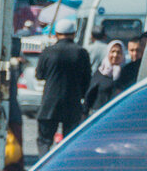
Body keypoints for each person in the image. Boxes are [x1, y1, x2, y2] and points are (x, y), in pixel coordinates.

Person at [34, 17, 90, 155]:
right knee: (70, 141)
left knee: (45, 140)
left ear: (56, 34)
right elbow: (87, 80)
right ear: (74, 34)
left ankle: (43, 165)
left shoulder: (48, 51)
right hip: (72, 103)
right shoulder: (81, 52)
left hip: (49, 103)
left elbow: (39, 75)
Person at [84, 40, 129, 114]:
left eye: (119, 52)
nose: (115, 55)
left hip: (118, 114)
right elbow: (90, 94)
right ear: (108, 53)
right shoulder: (101, 72)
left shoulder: (126, 73)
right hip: (98, 113)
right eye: (113, 51)